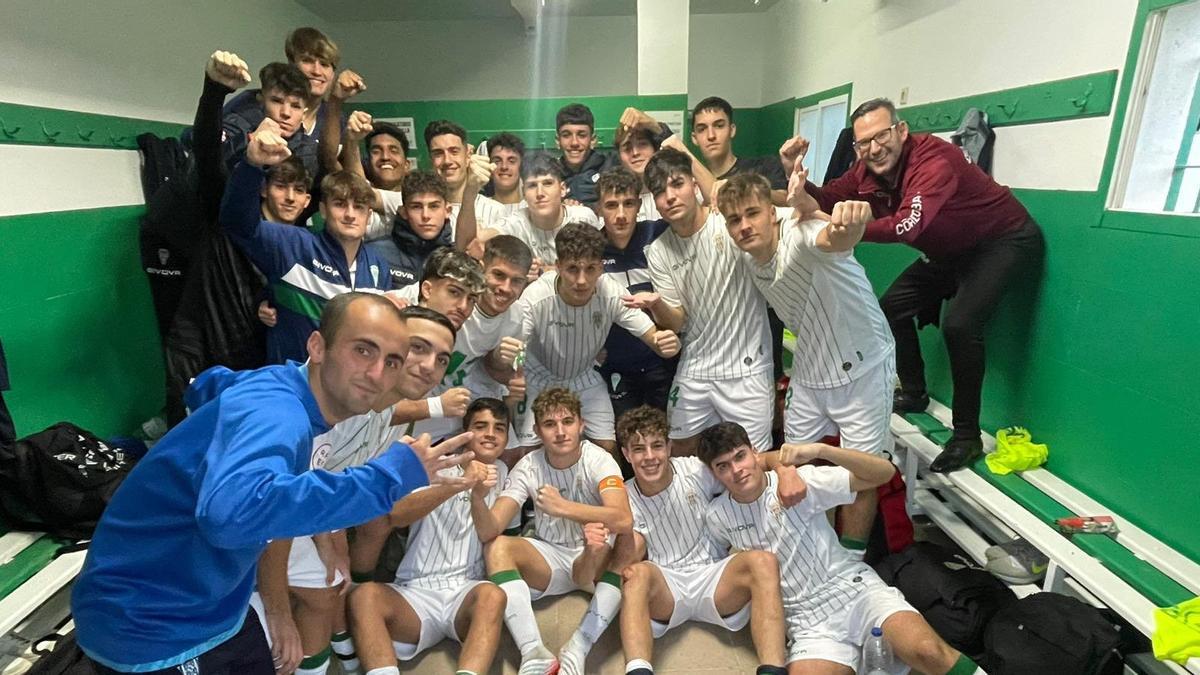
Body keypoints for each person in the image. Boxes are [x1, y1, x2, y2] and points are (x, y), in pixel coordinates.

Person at [71, 293, 475, 674]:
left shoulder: (285, 389)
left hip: (216, 604)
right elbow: (232, 517)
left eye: (391, 361)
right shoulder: (279, 413)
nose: (375, 373)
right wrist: (385, 478)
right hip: (148, 622)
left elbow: (209, 384)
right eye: (362, 350)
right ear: (317, 347)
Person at [789, 97, 1044, 472]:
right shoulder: (866, 170)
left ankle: (966, 437)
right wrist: (793, 176)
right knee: (891, 306)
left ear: (901, 130)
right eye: (863, 143)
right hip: (950, 249)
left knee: (960, 325)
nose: (874, 149)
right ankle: (913, 391)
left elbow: (909, 225)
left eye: (881, 136)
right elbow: (827, 197)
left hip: (1002, 240)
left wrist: (845, 230)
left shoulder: (934, 162)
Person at [251, 305, 463, 675]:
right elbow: (277, 512)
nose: (430, 365)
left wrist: (330, 543)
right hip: (239, 520)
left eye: (442, 359)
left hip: (285, 509)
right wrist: (279, 611)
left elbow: (322, 486)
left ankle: (335, 656)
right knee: (289, 610)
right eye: (418, 348)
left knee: (326, 585)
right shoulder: (332, 406)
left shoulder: (385, 411)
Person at [699, 423, 982, 675]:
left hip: (853, 589)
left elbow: (883, 474)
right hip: (805, 620)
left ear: (754, 453)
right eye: (723, 466)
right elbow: (713, 566)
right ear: (715, 474)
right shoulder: (718, 515)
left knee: (928, 651)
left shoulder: (800, 481)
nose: (737, 470)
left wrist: (822, 450)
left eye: (740, 456)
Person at [716, 171, 894, 555]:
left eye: (752, 214)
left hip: (863, 366)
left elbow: (838, 237)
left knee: (861, 473)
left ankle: (852, 562)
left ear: (772, 213)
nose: (745, 226)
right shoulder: (750, 258)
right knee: (800, 468)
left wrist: (848, 220)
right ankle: (823, 556)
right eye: (735, 219)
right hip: (811, 370)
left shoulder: (802, 234)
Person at [615, 407, 791, 675]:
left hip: (714, 577)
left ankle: (773, 670)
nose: (649, 457)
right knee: (635, 575)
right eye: (639, 449)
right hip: (667, 586)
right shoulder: (621, 495)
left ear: (669, 447)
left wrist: (785, 470)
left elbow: (758, 461)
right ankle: (638, 671)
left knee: (762, 561)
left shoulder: (695, 470)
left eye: (657, 446)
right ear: (626, 454)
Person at [347, 398, 515, 675]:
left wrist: (477, 494)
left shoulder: (508, 473)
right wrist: (459, 483)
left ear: (507, 438)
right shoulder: (435, 464)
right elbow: (396, 515)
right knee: (364, 596)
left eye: (499, 428)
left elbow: (495, 534)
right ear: (465, 432)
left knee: (492, 595)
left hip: (466, 591)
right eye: (481, 426)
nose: (490, 434)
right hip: (415, 591)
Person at [477, 388, 637, 675]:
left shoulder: (598, 458)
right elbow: (492, 528)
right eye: (550, 424)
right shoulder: (528, 465)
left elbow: (623, 519)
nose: (561, 432)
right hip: (548, 556)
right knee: (497, 546)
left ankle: (579, 646)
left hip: (595, 554)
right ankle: (533, 652)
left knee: (630, 541)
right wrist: (476, 495)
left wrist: (562, 507)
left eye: (567, 422)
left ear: (582, 425)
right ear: (538, 430)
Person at [632, 148, 774, 456]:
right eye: (660, 191)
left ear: (694, 185)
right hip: (695, 366)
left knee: (754, 461)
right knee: (680, 453)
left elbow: (773, 221)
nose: (670, 196)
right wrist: (657, 305)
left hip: (746, 369)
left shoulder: (729, 223)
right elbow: (677, 322)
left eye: (677, 184)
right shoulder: (657, 251)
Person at [221, 118, 392, 364]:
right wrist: (252, 164)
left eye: (360, 206)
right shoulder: (293, 245)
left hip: (350, 393)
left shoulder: (378, 268)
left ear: (369, 215)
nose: (350, 214)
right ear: (323, 209)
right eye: (340, 204)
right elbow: (236, 223)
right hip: (295, 388)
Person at [515, 223, 680, 452]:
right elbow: (515, 349)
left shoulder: (610, 291)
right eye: (573, 269)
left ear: (601, 268)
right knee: (522, 452)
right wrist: (517, 370)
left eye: (590, 269)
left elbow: (655, 339)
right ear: (558, 266)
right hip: (537, 378)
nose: (582, 280)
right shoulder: (535, 297)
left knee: (609, 447)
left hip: (584, 377)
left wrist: (666, 343)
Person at [594, 168, 675, 423]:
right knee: (627, 441)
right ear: (598, 208)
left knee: (667, 438)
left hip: (662, 363)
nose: (620, 215)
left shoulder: (659, 233)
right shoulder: (591, 249)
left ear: (639, 204)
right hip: (616, 367)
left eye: (628, 204)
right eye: (611, 205)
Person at [464, 153, 601, 269]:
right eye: (532, 186)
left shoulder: (583, 218)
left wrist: (546, 271)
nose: (540, 193)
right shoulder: (516, 222)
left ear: (563, 189)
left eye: (547, 183)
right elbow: (470, 244)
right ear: (523, 193)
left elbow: (596, 267)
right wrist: (470, 191)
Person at [690, 96, 788, 206]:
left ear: (731, 130)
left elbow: (786, 201)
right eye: (702, 129)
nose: (711, 136)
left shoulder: (764, 166)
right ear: (694, 138)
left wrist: (746, 188)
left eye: (719, 126)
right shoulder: (691, 186)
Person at [367, 170, 454, 287]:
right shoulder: (373, 253)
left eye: (434, 206)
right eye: (416, 207)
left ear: (447, 211)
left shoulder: (456, 258)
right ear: (404, 212)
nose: (426, 215)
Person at [424, 119, 508, 237]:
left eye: (454, 151)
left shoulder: (496, 211)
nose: (447, 161)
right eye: (438, 153)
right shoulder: (423, 213)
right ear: (430, 160)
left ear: (468, 155)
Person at [555, 103, 619, 208]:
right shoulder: (550, 176)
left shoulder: (612, 166)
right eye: (566, 135)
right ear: (558, 141)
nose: (574, 142)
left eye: (582, 135)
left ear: (593, 140)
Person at [484, 132, 526, 217]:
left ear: (521, 167)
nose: (504, 167)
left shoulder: (533, 209)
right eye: (497, 161)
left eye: (511, 161)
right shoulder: (477, 209)